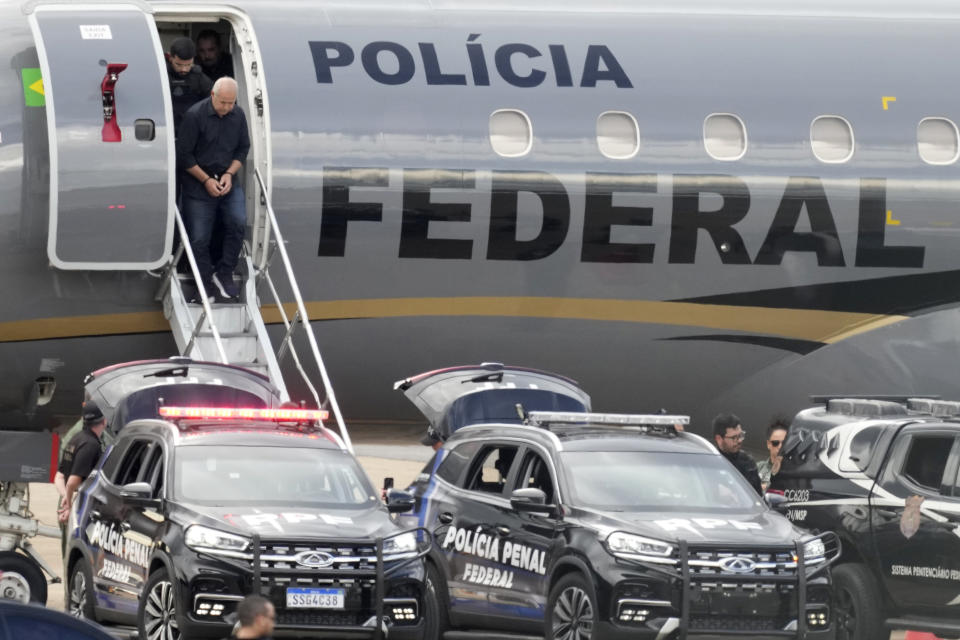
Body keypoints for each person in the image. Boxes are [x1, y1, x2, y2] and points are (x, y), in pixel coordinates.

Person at [177, 76, 250, 301]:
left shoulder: (238, 116)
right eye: (223, 103)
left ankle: (225, 272)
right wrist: (206, 180)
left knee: (238, 223)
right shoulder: (194, 116)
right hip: (198, 183)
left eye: (232, 103)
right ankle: (205, 284)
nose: (227, 108)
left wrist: (229, 174)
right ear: (212, 96)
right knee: (199, 238)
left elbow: (242, 148)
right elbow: (184, 155)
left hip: (227, 179)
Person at [57, 400, 108, 523]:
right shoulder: (91, 444)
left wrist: (65, 497)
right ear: (104, 421)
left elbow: (59, 476)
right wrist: (69, 504)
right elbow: (72, 482)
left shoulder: (75, 438)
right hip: (81, 504)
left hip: (70, 498)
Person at [167, 37, 213, 133]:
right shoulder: (162, 74)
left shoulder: (198, 76)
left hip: (191, 129)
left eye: (188, 65)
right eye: (178, 65)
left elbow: (213, 98)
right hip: (168, 129)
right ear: (170, 58)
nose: (184, 69)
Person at [712, 413, 762, 495]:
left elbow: (758, 496)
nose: (739, 441)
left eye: (741, 435)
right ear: (719, 439)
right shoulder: (710, 464)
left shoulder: (748, 462)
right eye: (734, 438)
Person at [757, 417, 789, 491]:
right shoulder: (758, 467)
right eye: (776, 443)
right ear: (768, 444)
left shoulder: (793, 472)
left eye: (784, 443)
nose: (780, 446)